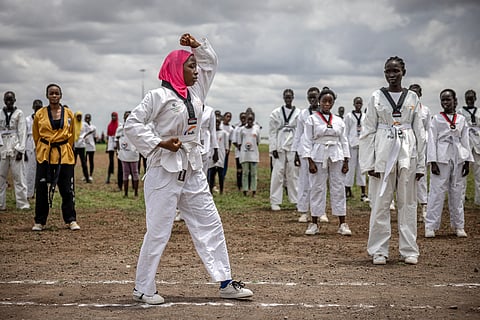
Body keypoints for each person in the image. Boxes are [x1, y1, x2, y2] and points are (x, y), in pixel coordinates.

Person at [124, 33, 253, 305]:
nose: (196, 71)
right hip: (164, 170)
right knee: (158, 230)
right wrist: (159, 142)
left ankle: (226, 281)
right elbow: (132, 125)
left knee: (210, 223)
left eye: (196, 66)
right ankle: (143, 288)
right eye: (190, 66)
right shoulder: (157, 96)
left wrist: (197, 46)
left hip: (192, 168)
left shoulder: (196, 92)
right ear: (175, 68)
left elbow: (211, 62)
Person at [359, 56, 425, 265]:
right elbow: (368, 130)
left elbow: (420, 132)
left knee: (408, 203)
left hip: (407, 153)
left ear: (403, 72)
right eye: (388, 71)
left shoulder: (413, 97)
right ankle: (379, 250)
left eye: (395, 71)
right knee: (381, 203)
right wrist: (369, 163)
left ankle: (409, 250)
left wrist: (421, 164)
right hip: (383, 154)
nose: (391, 75)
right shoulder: (376, 96)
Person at [302, 88, 352, 236]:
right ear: (319, 101)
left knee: (338, 187)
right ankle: (314, 223)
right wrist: (309, 161)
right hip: (318, 155)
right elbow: (306, 140)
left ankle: (342, 223)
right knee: (317, 188)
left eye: (330, 101)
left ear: (333, 103)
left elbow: (344, 140)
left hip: (336, 155)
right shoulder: (312, 119)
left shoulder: (338, 120)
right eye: (324, 101)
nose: (327, 104)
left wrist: (346, 161)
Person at [424, 89, 472, 238]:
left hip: (458, 155)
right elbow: (431, 140)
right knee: (437, 192)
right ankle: (430, 226)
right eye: (443, 100)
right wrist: (432, 161)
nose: (445, 102)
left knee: (458, 191)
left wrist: (467, 161)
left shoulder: (461, 119)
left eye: (448, 99)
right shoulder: (436, 119)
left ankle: (459, 225)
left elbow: (465, 140)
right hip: (441, 156)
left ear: (454, 100)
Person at [32, 84, 79, 231]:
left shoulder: (69, 114)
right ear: (47, 95)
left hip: (64, 154)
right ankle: (39, 221)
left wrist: (67, 148)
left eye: (56, 93)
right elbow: (36, 135)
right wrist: (43, 148)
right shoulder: (40, 114)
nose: (54, 96)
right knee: (41, 189)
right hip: (45, 155)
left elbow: (72, 134)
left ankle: (71, 220)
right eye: (51, 93)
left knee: (67, 189)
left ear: (61, 95)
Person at [292, 87, 323, 223]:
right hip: (305, 151)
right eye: (310, 97)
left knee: (319, 183)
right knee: (304, 182)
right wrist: (296, 153)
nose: (313, 99)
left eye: (315, 97)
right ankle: (304, 211)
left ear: (319, 97)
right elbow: (298, 134)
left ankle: (319, 212)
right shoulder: (303, 114)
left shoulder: (324, 114)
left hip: (320, 151)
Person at [269, 89, 301, 211]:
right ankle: (275, 201)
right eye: (286, 97)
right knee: (278, 173)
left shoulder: (299, 113)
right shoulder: (275, 113)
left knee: (293, 174)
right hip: (280, 146)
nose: (288, 99)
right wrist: (273, 148)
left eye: (290, 97)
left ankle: (296, 200)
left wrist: (298, 149)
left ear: (293, 97)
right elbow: (272, 132)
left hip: (293, 146)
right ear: (283, 98)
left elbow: (300, 132)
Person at [0, 91, 29, 211]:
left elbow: (22, 131)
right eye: (6, 99)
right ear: (3, 100)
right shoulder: (0, 113)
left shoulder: (19, 113)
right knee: (1, 177)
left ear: (14, 100)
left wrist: (21, 150)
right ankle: (1, 204)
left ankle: (22, 204)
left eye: (11, 99)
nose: (9, 102)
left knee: (19, 177)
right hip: (2, 146)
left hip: (15, 146)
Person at [409, 84, 431, 221]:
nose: (415, 95)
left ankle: (424, 207)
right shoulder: (406, 109)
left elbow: (428, 130)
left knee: (421, 176)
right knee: (408, 177)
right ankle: (411, 209)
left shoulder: (426, 110)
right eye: (412, 93)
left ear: (420, 94)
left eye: (417, 93)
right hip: (409, 146)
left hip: (422, 146)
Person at [344, 97, 369, 202]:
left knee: (362, 169)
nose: (358, 105)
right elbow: (345, 132)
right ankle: (347, 191)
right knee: (350, 169)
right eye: (357, 103)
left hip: (362, 146)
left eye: (360, 103)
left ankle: (363, 193)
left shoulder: (365, 116)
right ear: (353, 104)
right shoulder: (349, 116)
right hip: (351, 145)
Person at [458, 89, 480, 205]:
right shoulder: (460, 112)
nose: (470, 100)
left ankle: (478, 199)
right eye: (468, 98)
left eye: (472, 98)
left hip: (477, 143)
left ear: (475, 99)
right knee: (462, 172)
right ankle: (460, 199)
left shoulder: (479, 112)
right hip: (465, 143)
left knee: (478, 172)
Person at [116, 111, 140, 198]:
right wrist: (118, 150)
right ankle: (125, 193)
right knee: (125, 173)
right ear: (123, 118)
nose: (127, 118)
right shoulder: (120, 128)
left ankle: (136, 192)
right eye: (126, 117)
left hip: (134, 154)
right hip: (124, 154)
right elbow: (116, 139)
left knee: (135, 172)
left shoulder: (136, 128)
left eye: (129, 116)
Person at [25, 99, 43, 199]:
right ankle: (29, 192)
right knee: (30, 169)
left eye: (39, 108)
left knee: (41, 169)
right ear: (33, 108)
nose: (37, 109)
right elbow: (24, 134)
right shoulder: (27, 119)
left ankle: (39, 191)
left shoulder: (44, 119)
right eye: (36, 108)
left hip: (41, 142)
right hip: (30, 142)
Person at [239, 113, 260, 197]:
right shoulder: (242, 130)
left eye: (252, 119)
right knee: (245, 173)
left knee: (254, 174)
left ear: (254, 120)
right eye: (249, 119)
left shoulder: (256, 129)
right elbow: (240, 142)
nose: (250, 121)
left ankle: (254, 191)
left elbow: (258, 142)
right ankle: (245, 190)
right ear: (246, 120)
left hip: (254, 156)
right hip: (244, 155)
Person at [208, 116, 229, 194]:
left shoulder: (224, 133)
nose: (216, 124)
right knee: (212, 174)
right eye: (215, 122)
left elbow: (226, 147)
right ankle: (210, 190)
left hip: (221, 156)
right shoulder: (210, 133)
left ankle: (221, 190)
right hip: (211, 155)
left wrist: (223, 154)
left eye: (218, 122)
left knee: (221, 175)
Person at [73, 111, 91, 183]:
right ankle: (70, 177)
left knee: (84, 163)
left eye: (80, 116)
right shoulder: (73, 124)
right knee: (73, 162)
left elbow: (90, 130)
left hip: (82, 146)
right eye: (78, 116)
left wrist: (84, 136)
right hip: (74, 145)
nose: (79, 118)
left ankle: (87, 178)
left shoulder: (84, 124)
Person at [232, 112, 247, 190]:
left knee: (247, 170)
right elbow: (234, 141)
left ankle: (247, 185)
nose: (243, 119)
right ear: (240, 118)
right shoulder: (237, 128)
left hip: (248, 154)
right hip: (239, 153)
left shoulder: (250, 128)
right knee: (239, 170)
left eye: (245, 117)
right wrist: (240, 147)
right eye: (242, 118)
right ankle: (239, 185)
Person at [220, 111, 234, 179]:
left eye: (230, 117)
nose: (229, 118)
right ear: (224, 117)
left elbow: (230, 140)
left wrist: (228, 148)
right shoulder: (220, 125)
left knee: (225, 163)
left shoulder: (231, 129)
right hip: (218, 147)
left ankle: (223, 175)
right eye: (227, 116)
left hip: (225, 148)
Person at [106, 112, 119, 184]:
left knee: (119, 161)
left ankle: (119, 178)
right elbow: (108, 136)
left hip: (117, 143)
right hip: (111, 143)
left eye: (114, 116)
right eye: (112, 116)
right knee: (111, 162)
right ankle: (108, 178)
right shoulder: (109, 125)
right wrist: (107, 147)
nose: (113, 117)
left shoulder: (118, 125)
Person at [83, 113, 96, 181]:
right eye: (86, 117)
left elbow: (94, 137)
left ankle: (90, 175)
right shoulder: (82, 126)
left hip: (91, 146)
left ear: (90, 119)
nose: (87, 119)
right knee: (84, 162)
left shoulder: (93, 127)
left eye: (88, 118)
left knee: (91, 161)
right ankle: (85, 175)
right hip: (83, 146)